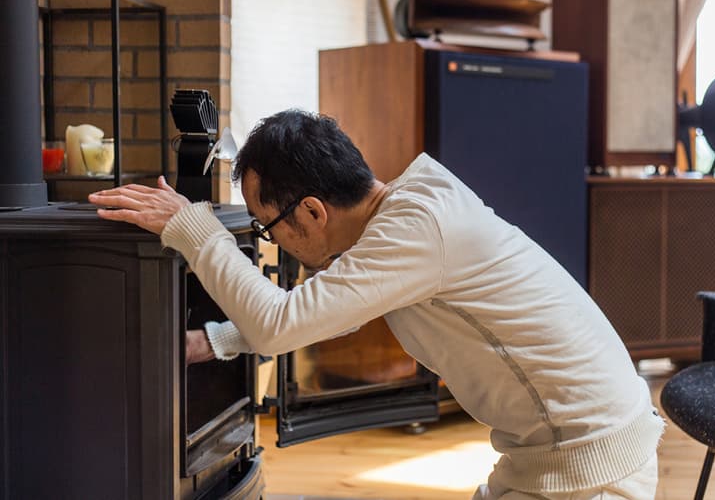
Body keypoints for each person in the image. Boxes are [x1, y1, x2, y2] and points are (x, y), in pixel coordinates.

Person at [89, 109, 664, 500]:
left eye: (268, 229)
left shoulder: (416, 232)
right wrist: (214, 340)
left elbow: (278, 325)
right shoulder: (409, 207)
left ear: (313, 212)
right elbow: (332, 306)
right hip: (563, 446)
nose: (271, 242)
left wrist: (194, 229)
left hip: (587, 465)